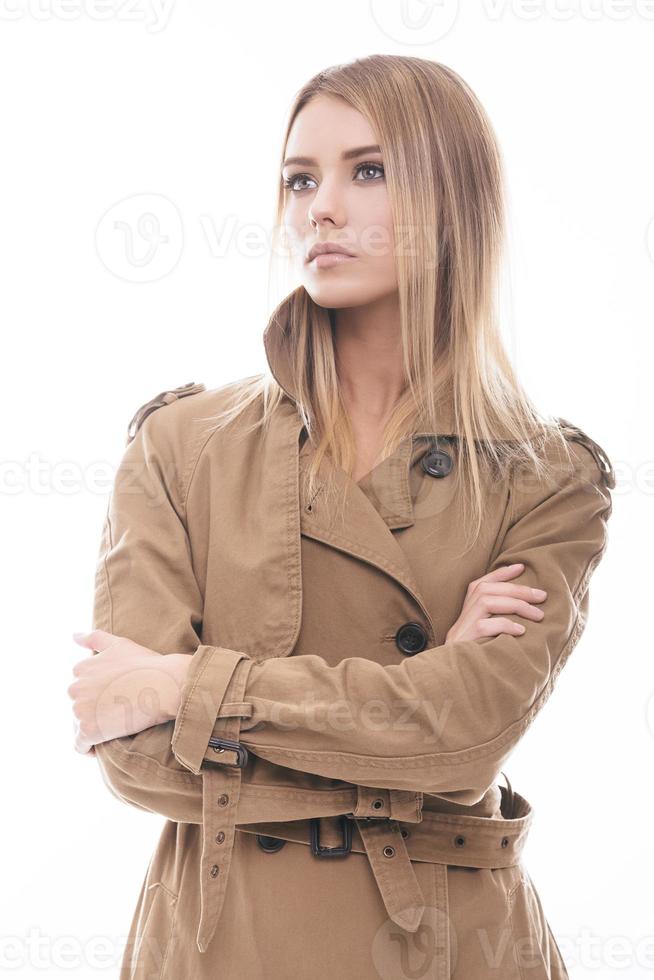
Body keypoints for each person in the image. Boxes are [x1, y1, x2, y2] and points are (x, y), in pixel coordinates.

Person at [68, 55, 615, 979]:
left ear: (458, 197)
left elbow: (468, 735)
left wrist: (184, 686)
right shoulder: (182, 445)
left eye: (368, 170)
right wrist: (422, 704)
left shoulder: (546, 475)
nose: (319, 208)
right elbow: (136, 758)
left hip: (455, 946)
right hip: (220, 940)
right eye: (299, 179)